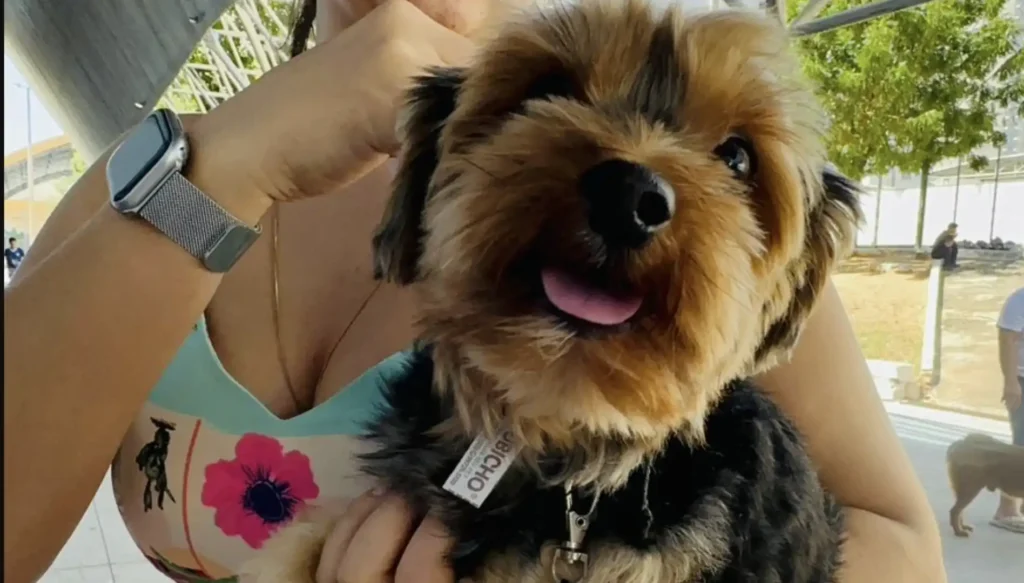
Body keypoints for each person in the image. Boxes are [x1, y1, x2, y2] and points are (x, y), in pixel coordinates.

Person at [3, 1, 946, 582]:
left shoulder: (738, 225)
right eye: (546, 95)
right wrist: (227, 164)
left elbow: (904, 545)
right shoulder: (146, 179)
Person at [992, 286, 1024, 533]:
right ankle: (1006, 508)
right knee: (1021, 446)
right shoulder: (1019, 300)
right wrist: (1011, 382)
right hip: (1021, 380)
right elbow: (1006, 339)